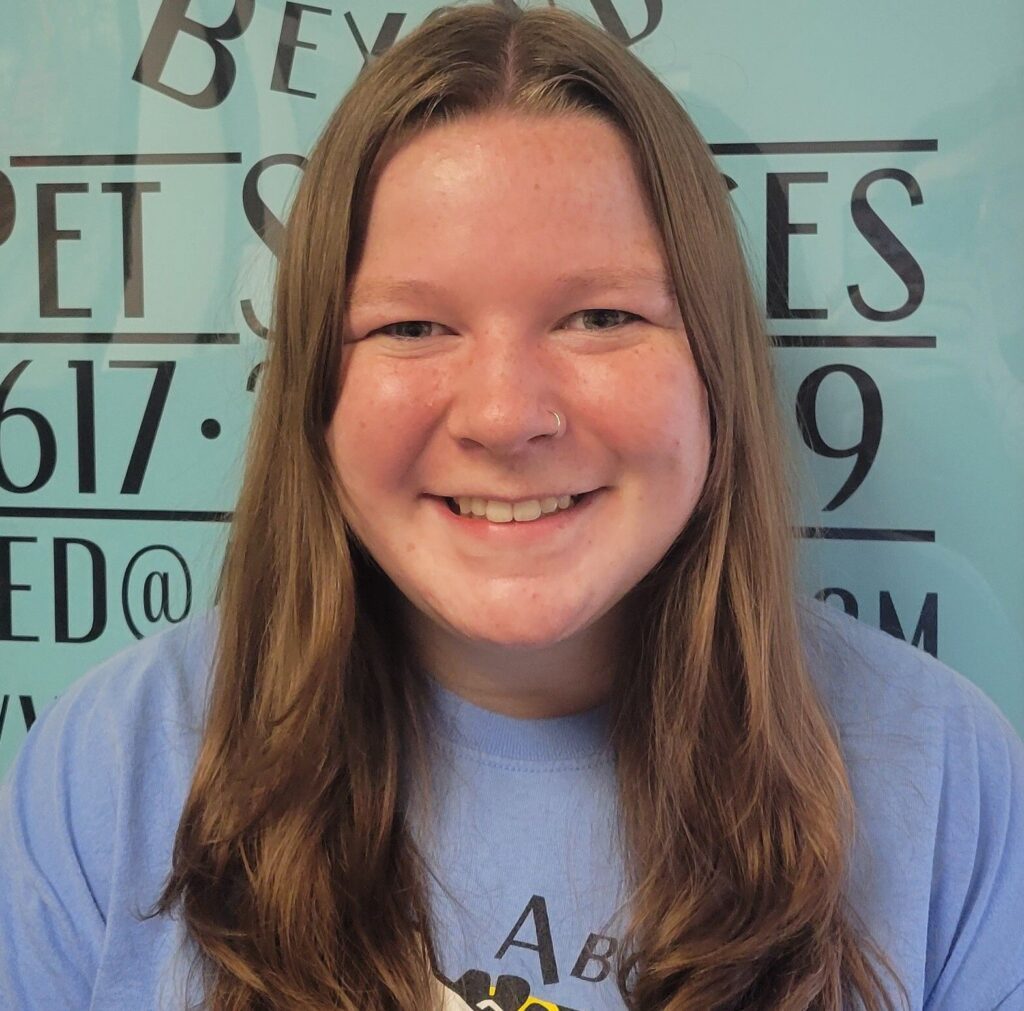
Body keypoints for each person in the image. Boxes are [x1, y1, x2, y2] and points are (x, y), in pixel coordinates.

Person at [2, 5, 1022, 1010]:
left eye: (600, 316)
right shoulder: (117, 764)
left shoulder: (944, 780)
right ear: (315, 389)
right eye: (410, 326)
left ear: (712, 365)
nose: (504, 415)